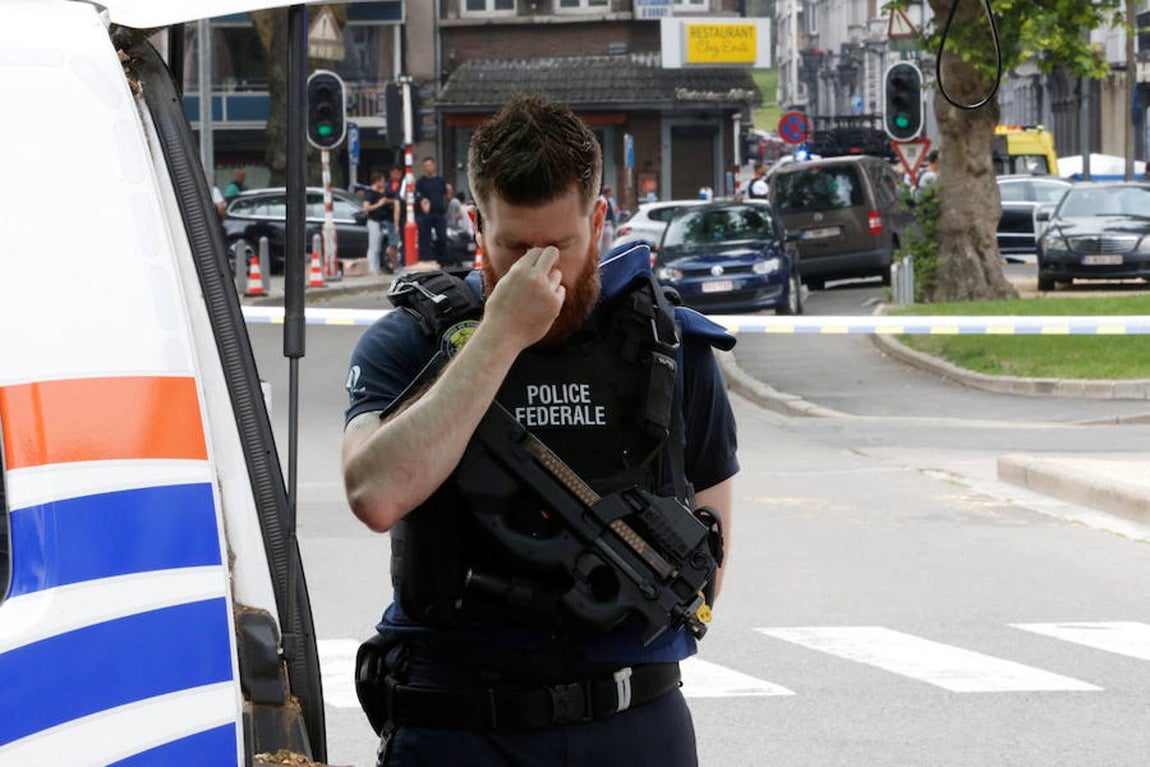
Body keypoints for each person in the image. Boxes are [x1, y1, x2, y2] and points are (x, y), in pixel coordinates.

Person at [342, 93, 738, 767]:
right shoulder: (411, 343)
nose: (539, 269)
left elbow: (705, 568)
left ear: (600, 219)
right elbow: (375, 493)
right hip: (460, 722)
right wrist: (498, 336)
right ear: (476, 224)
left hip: (630, 720)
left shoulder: (666, 346)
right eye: (514, 246)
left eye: (561, 245)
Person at [414, 156, 448, 262]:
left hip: (439, 213)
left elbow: (445, 195)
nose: (428, 168)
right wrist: (422, 200)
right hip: (426, 214)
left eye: (429, 165)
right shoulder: (421, 182)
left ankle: (440, 258)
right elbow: (416, 194)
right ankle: (427, 259)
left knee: (442, 238)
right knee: (425, 238)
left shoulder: (440, 181)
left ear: (434, 166)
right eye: (425, 166)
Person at [363, 171, 394, 274]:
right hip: (373, 221)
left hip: (381, 222)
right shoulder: (370, 193)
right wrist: (378, 204)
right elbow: (366, 207)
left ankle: (376, 268)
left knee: (378, 246)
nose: (384, 184)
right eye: (382, 181)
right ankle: (371, 268)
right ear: (377, 181)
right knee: (374, 246)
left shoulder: (380, 193)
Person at [598, 185, 617, 253]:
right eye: (611, 192)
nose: (612, 193)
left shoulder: (610, 201)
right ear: (607, 192)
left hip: (608, 224)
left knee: (609, 245)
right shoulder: (600, 200)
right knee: (598, 244)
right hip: (601, 224)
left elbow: (613, 212)